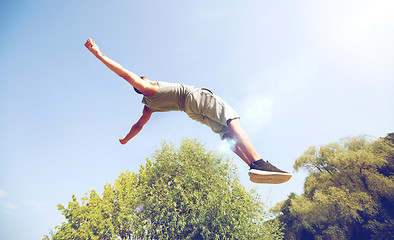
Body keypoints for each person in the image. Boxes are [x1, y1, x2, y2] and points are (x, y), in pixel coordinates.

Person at [84, 38, 291, 184]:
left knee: (227, 136)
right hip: (195, 98)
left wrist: (126, 139)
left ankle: (251, 166)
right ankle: (259, 162)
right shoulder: (150, 88)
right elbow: (127, 75)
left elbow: (138, 125)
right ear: (142, 83)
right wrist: (98, 53)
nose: (144, 79)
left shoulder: (148, 107)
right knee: (232, 120)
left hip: (192, 113)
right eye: (142, 79)